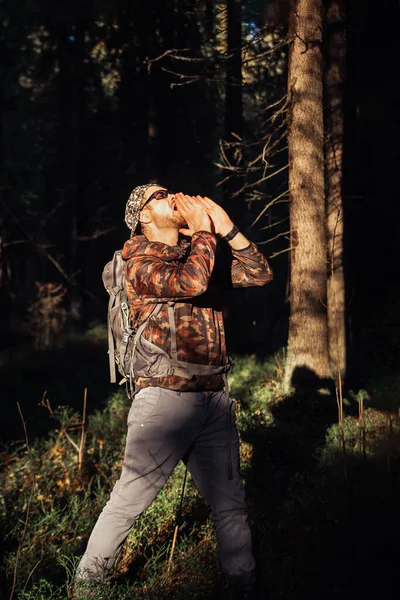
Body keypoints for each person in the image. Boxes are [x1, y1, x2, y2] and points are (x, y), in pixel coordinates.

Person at [75, 184, 273, 599]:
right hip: (164, 402)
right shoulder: (138, 261)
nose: (174, 197)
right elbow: (193, 282)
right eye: (162, 196)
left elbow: (260, 273)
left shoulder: (197, 252)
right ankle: (88, 586)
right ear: (144, 216)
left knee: (230, 504)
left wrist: (228, 228)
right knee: (128, 503)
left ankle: (242, 584)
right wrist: (204, 231)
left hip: (213, 399)